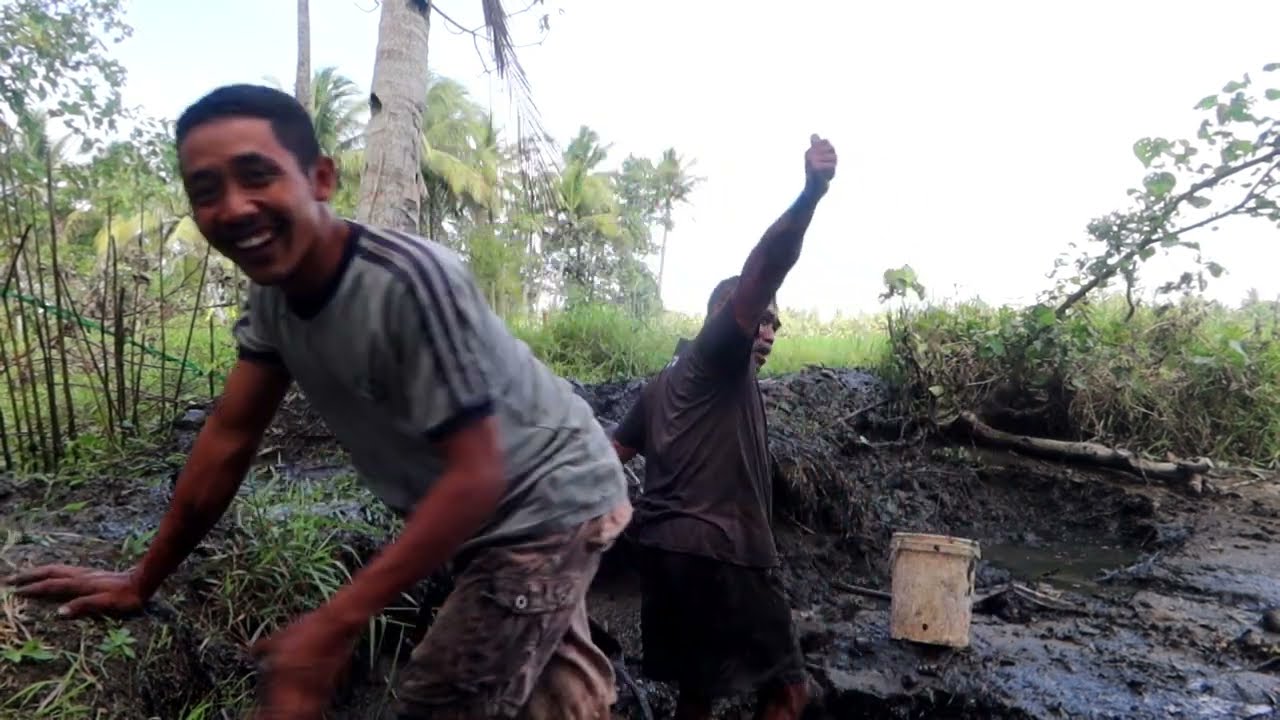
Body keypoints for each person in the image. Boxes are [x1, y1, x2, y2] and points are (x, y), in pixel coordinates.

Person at [4, 84, 632, 720]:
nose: (234, 207)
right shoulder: (273, 296)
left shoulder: (407, 283)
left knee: (446, 697)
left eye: (257, 176)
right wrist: (143, 579)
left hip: (544, 501)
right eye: (206, 190)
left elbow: (477, 476)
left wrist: (333, 624)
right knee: (545, 681)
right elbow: (229, 438)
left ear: (322, 178)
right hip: (493, 503)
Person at [610, 135, 837, 720]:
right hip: (724, 554)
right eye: (760, 319)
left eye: (776, 325)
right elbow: (765, 264)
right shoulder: (718, 353)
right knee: (787, 690)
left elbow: (611, 452)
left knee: (697, 693)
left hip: (664, 556)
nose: (769, 332)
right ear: (724, 318)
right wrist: (810, 194)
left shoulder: (663, 384)